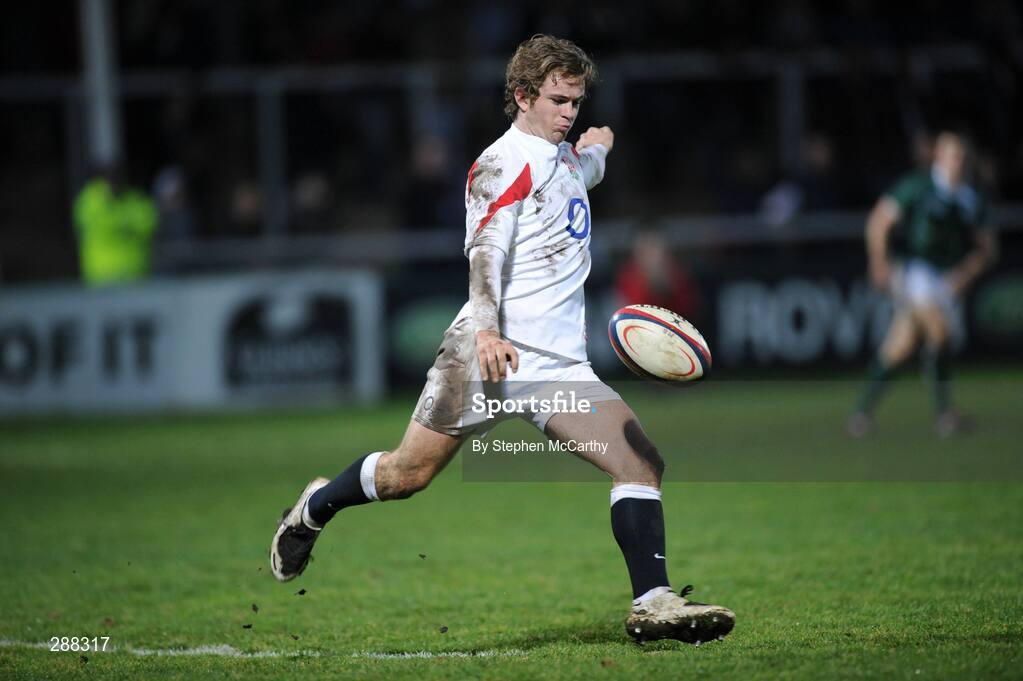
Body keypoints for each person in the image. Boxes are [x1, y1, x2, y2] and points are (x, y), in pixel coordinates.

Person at [269, 35, 735, 645]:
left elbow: (575, 178)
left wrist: (598, 148)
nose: (569, 113)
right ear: (522, 96)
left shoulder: (563, 158)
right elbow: (486, 253)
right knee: (408, 474)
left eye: (576, 102)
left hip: (556, 367)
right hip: (485, 355)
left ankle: (653, 603)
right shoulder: (499, 164)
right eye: (558, 101)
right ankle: (314, 508)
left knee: (640, 461)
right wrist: (487, 330)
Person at [848, 131, 997, 438]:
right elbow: (879, 222)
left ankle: (861, 414)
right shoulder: (919, 187)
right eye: (952, 156)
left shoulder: (972, 197)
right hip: (916, 273)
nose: (957, 163)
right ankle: (945, 416)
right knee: (940, 333)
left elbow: (987, 249)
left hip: (947, 278)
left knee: (900, 348)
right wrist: (879, 261)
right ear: (939, 157)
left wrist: (965, 274)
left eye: (961, 157)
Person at [73, 163, 158, 285]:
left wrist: (118, 221)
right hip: (100, 275)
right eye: (109, 178)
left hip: (135, 273)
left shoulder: (135, 198)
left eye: (116, 177)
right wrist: (126, 222)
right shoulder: (89, 200)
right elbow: (96, 223)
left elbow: (149, 223)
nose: (113, 182)